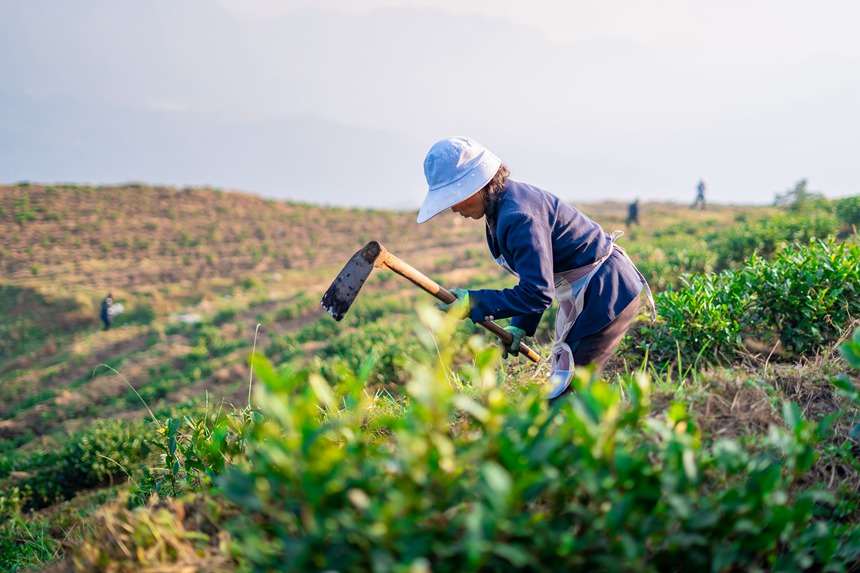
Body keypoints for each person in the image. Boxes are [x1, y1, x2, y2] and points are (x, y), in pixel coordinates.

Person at [417, 136, 655, 400]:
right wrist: (521, 324)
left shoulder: (517, 216)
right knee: (565, 387)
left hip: (606, 291)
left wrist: (473, 302)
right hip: (589, 288)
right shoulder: (501, 208)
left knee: (568, 394)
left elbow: (537, 292)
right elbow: (537, 272)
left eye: (455, 197)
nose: (453, 208)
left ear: (476, 186)